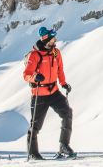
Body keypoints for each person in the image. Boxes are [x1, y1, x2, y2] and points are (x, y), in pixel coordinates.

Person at [23, 27, 75, 160]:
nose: (55, 40)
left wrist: (63, 83)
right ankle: (33, 153)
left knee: (67, 113)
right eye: (53, 38)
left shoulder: (56, 52)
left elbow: (60, 69)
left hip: (54, 92)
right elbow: (26, 74)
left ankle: (64, 145)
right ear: (46, 39)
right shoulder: (35, 55)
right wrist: (35, 77)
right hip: (39, 93)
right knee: (35, 125)